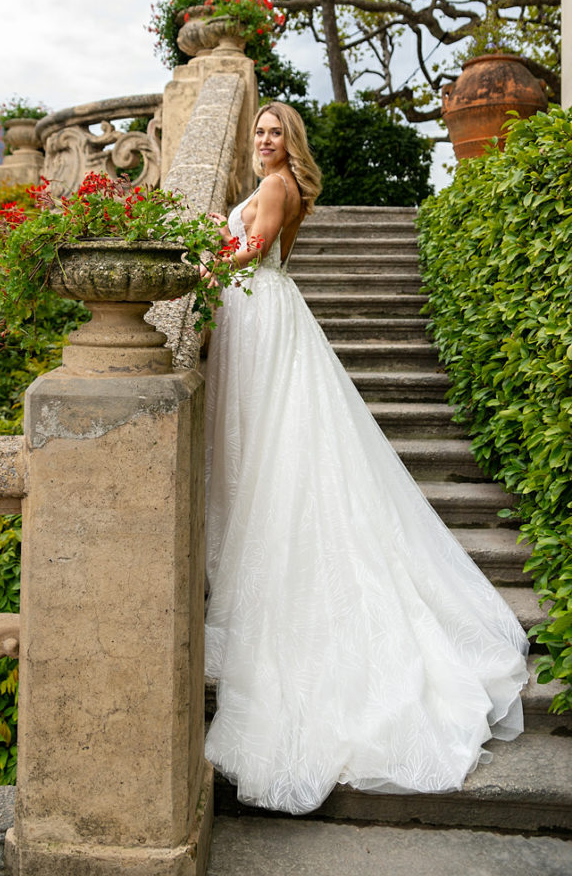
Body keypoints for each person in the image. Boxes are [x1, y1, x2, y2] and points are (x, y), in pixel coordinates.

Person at [203, 100, 529, 815]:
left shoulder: (280, 185)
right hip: (261, 314)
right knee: (262, 449)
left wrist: (202, 262)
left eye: (275, 132)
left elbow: (251, 252)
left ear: (291, 144)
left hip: (260, 310)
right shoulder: (274, 183)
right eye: (258, 131)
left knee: (274, 450)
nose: (264, 141)